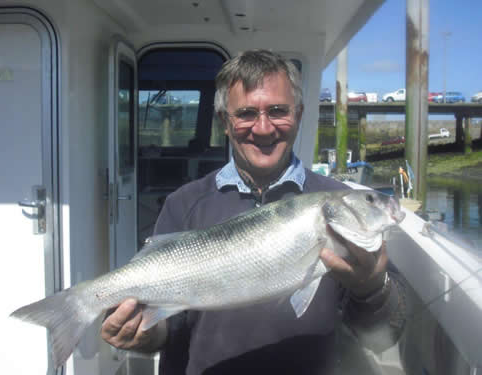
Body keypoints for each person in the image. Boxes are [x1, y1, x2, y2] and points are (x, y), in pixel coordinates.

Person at [101, 49, 407, 374]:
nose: (263, 128)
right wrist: (141, 335)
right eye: (246, 113)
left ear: (299, 114)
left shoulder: (341, 200)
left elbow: (383, 337)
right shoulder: (184, 203)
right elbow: (167, 330)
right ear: (225, 122)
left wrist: (371, 288)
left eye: (278, 111)